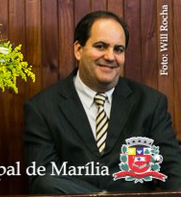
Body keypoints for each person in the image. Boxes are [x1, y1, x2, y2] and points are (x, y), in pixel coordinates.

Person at [24, 10, 181, 194]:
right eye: (101, 46)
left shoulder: (150, 103)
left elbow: (174, 173)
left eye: (118, 49)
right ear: (78, 50)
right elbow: (43, 179)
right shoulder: (42, 108)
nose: (110, 57)